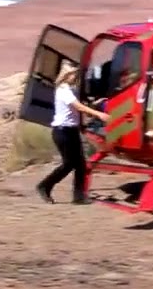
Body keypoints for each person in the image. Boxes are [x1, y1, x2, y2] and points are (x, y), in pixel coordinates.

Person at [36, 63, 111, 205]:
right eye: (73, 74)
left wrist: (95, 104)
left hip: (71, 130)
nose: (76, 76)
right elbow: (78, 107)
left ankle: (79, 197)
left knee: (80, 164)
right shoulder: (63, 90)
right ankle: (44, 186)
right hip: (62, 131)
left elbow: (79, 106)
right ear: (66, 75)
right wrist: (99, 114)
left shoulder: (72, 89)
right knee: (69, 164)